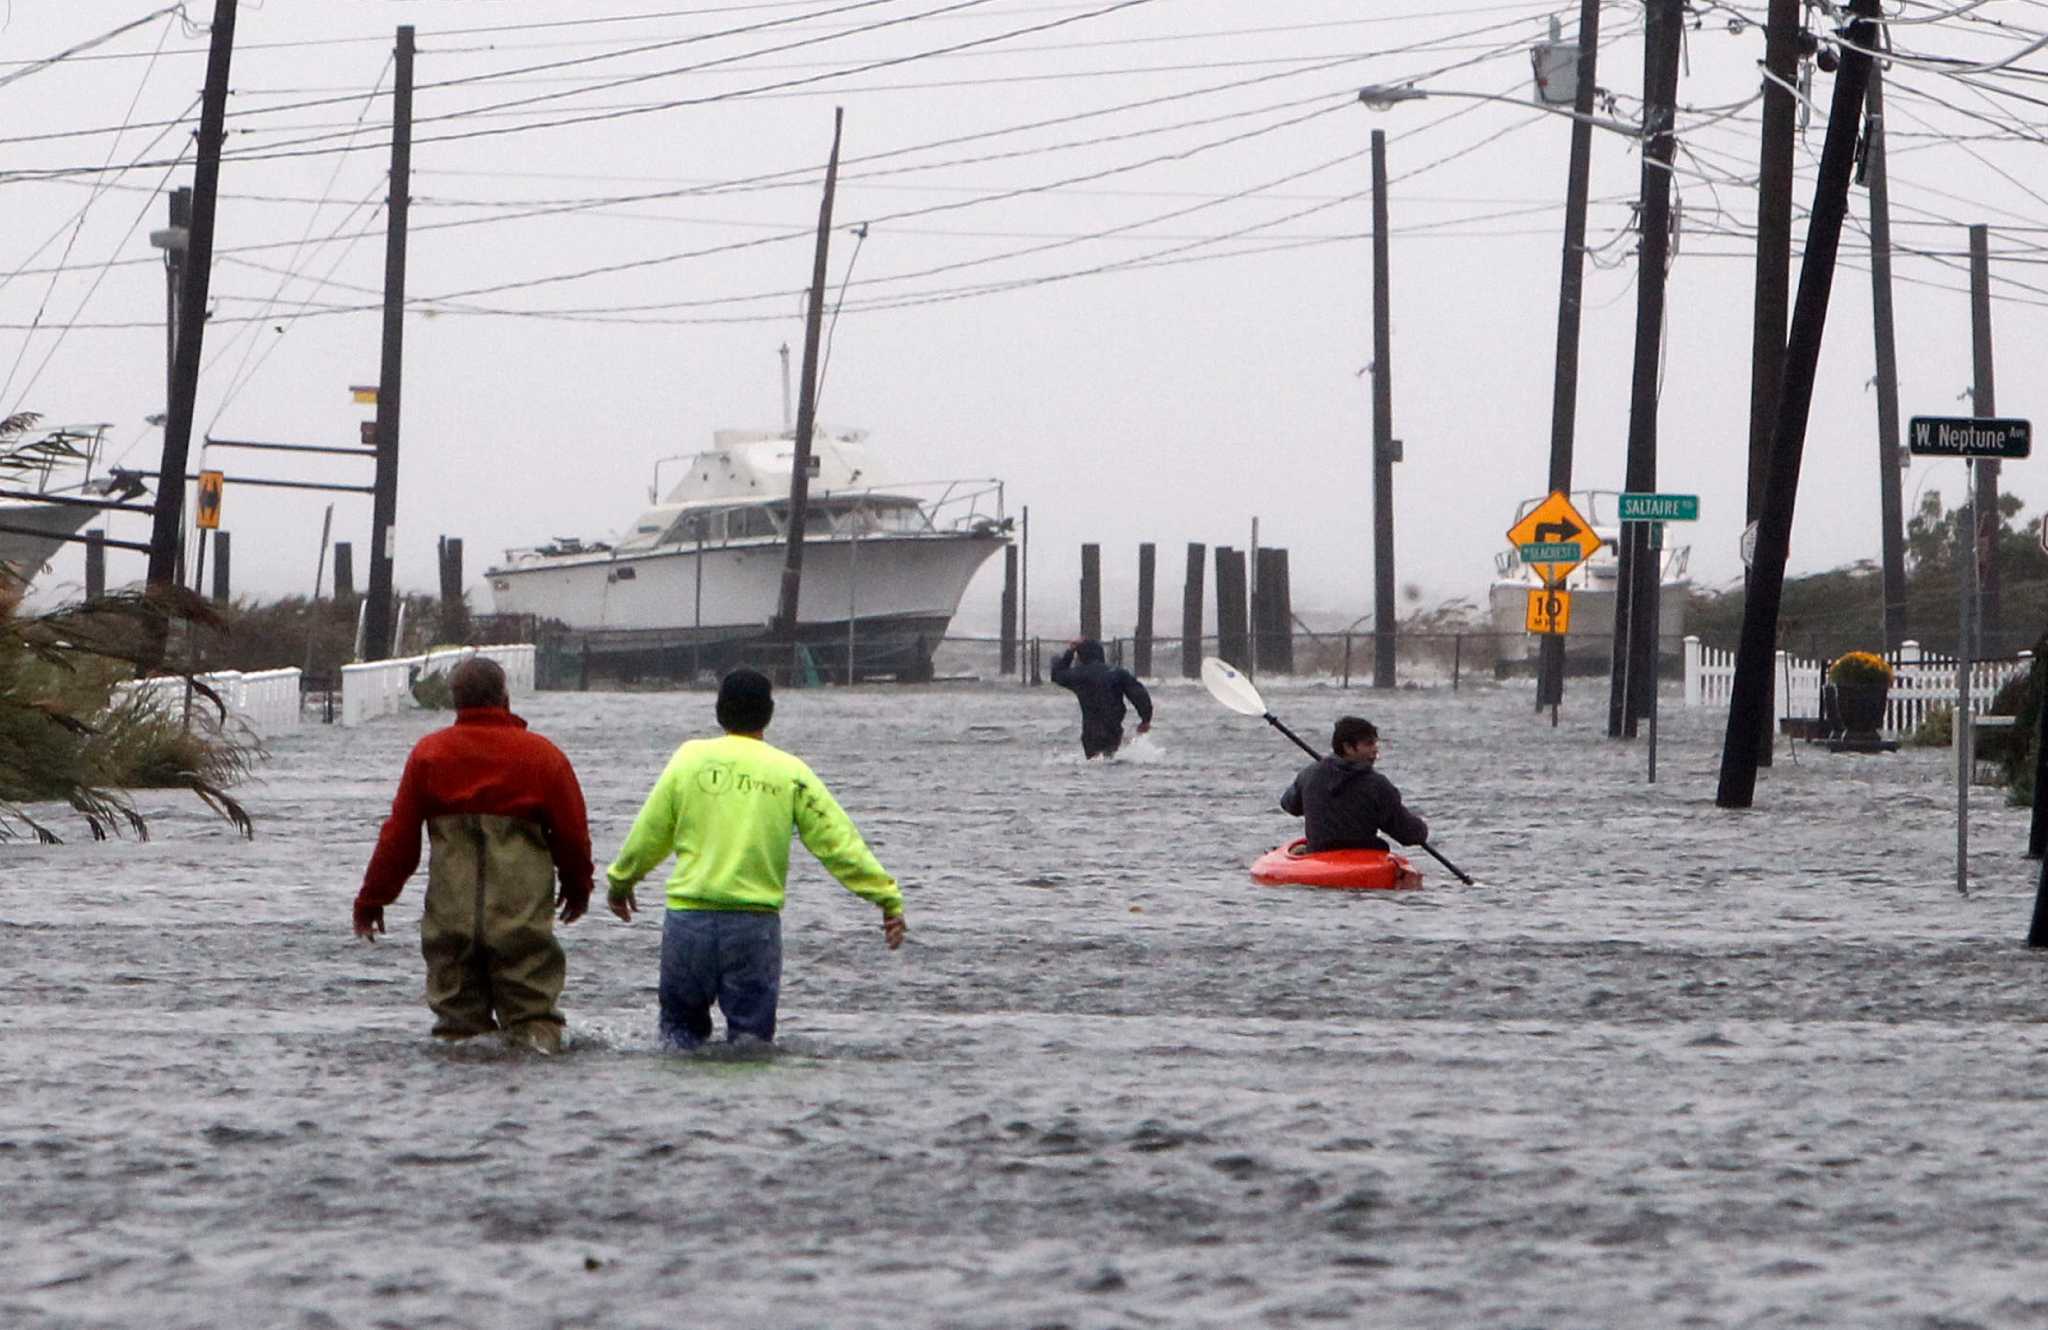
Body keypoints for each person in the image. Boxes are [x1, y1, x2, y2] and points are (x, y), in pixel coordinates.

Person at [604, 667, 906, 1050]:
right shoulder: (789, 772)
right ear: (769, 712)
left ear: (718, 710)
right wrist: (886, 897)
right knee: (751, 1045)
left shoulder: (688, 759)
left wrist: (621, 882)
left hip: (687, 924)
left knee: (677, 1041)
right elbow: (839, 844)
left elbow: (649, 833)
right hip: (753, 927)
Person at [354, 656, 594, 1054]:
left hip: (451, 923)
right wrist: (578, 887)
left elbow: (398, 840)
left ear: (455, 700)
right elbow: (572, 836)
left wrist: (372, 900)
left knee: (458, 1035)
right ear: (505, 697)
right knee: (535, 1026)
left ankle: (457, 1108)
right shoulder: (543, 757)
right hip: (520, 922)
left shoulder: (429, 756)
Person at [1279, 716, 1429, 857]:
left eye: (1375, 743)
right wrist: (1422, 828)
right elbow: (1409, 834)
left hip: (1319, 857)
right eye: (1368, 744)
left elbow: (1290, 805)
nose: (1375, 749)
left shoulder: (1309, 774)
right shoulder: (1377, 785)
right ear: (1348, 748)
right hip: (1364, 861)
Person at [1049, 637, 1153, 759]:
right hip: (1113, 729)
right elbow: (1139, 695)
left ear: (1081, 656)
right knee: (1112, 758)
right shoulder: (1117, 673)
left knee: (1094, 761)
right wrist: (1145, 719)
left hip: (1090, 732)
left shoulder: (1078, 675)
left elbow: (1057, 674)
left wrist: (1070, 651)